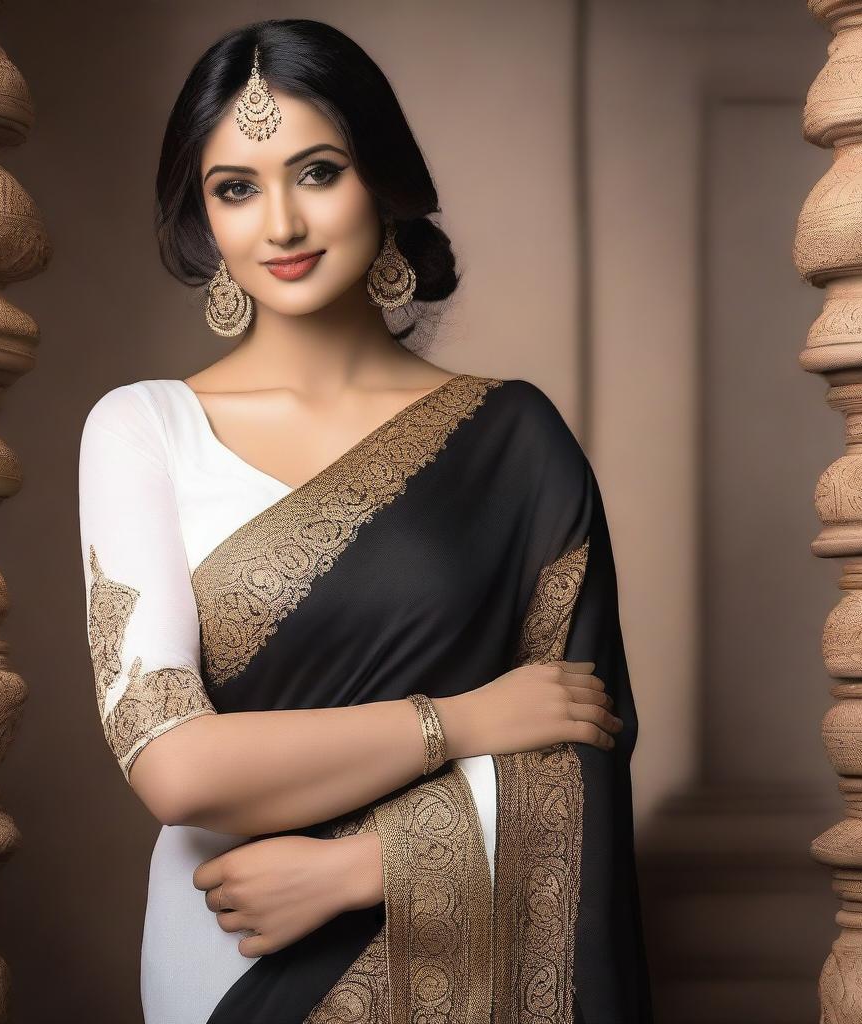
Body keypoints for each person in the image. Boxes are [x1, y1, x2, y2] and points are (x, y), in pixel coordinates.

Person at [77, 18, 653, 1024]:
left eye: (317, 172)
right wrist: (464, 719)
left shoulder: (512, 441)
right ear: (203, 217)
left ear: (383, 183)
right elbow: (172, 762)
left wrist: (360, 869)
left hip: (431, 938)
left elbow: (574, 751)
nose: (281, 225)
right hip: (227, 944)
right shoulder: (144, 428)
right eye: (236, 188)